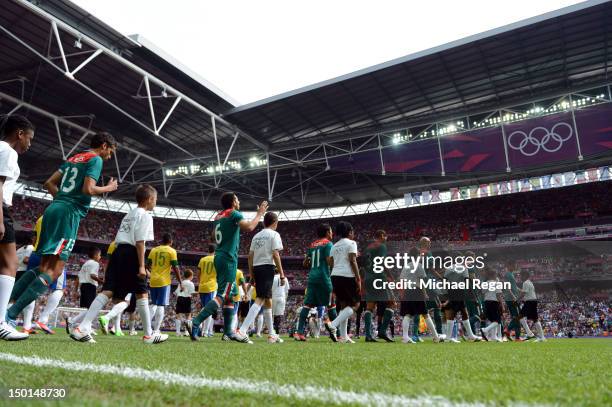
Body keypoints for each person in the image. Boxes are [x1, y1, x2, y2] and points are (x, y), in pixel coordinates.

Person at [7, 132, 117, 329]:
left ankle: (4, 309)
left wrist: (62, 200)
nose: (110, 156)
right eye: (110, 151)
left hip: (53, 209)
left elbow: (49, 183)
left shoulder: (74, 157)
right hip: (68, 214)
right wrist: (108, 188)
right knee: (55, 270)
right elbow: (88, 189)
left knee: (42, 268)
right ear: (104, 145)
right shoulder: (95, 159)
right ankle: (10, 315)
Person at [70, 184, 167, 344]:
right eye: (155, 199)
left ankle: (82, 327)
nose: (155, 202)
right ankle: (149, 334)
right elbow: (140, 242)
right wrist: (142, 266)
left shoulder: (129, 214)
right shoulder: (146, 216)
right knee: (142, 292)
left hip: (117, 252)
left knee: (108, 290)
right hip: (131, 253)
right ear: (150, 199)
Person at [187, 192, 268, 342]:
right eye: (237, 199)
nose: (239, 201)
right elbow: (250, 227)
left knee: (231, 296)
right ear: (232, 202)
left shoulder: (218, 216)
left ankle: (229, 331)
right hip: (228, 259)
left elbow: (213, 236)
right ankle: (195, 322)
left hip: (219, 256)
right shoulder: (234, 214)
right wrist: (259, 214)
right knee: (223, 295)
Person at [0, 115, 35, 340]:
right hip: (1, 208)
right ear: (19, 133)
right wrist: (0, 219)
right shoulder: (8, 151)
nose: (30, 144)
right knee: (9, 265)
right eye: (29, 138)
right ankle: (1, 322)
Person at [238, 212, 285, 344]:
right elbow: (275, 254)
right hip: (267, 268)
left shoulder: (256, 236)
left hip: (257, 268)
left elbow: (250, 256)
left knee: (268, 301)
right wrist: (281, 274)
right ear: (275, 222)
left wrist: (252, 274)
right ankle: (242, 331)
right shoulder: (274, 234)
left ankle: (271, 334)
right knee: (260, 299)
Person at [293, 224, 335, 342]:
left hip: (312, 277)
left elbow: (305, 263)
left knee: (307, 305)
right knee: (331, 305)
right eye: (331, 231)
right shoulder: (328, 244)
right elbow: (329, 261)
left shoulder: (312, 245)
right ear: (327, 232)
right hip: (323, 277)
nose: (332, 234)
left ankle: (299, 333)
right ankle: (339, 332)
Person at [327, 221, 361, 344]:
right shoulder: (352, 243)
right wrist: (358, 278)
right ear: (349, 232)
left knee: (344, 306)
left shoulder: (334, 246)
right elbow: (353, 261)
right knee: (355, 305)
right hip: (347, 276)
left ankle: (344, 336)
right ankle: (333, 324)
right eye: (352, 231)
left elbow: (330, 262)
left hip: (335, 276)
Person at [400, 247, 440, 343]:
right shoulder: (419, 266)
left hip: (408, 291)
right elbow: (421, 281)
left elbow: (401, 280)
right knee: (426, 314)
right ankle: (436, 337)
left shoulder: (406, 266)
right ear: (417, 255)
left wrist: (402, 293)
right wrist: (425, 293)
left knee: (408, 314)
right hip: (417, 291)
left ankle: (405, 337)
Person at [362, 230, 394, 342]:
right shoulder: (381, 246)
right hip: (379, 277)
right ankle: (382, 331)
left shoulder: (367, 248)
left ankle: (368, 335)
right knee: (392, 303)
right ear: (381, 236)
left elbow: (363, 264)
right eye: (385, 235)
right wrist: (390, 276)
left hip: (367, 278)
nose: (387, 237)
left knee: (369, 307)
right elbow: (382, 261)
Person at [148, 234, 182, 334]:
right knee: (161, 305)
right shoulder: (171, 251)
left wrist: (152, 273)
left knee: (153, 304)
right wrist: (180, 282)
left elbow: (147, 265)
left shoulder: (154, 250)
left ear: (161, 240)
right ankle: (156, 329)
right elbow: (176, 268)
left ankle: (148, 327)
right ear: (170, 241)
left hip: (153, 280)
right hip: (164, 281)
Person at [518, 270, 546, 342]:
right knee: (535, 319)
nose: (520, 277)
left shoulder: (525, 283)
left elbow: (523, 293)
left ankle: (529, 333)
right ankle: (542, 337)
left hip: (529, 302)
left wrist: (517, 300)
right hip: (533, 301)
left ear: (524, 276)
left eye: (521, 275)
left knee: (520, 316)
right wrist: (518, 289)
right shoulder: (529, 282)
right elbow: (525, 292)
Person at [197, 243, 217, 337]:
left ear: (208, 250)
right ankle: (204, 331)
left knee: (204, 308)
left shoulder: (202, 259)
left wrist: (201, 282)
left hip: (202, 286)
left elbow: (198, 274)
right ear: (215, 251)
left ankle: (199, 326)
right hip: (211, 286)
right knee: (209, 309)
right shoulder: (217, 259)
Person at [480, 268, 505, 342]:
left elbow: (483, 292)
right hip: (494, 302)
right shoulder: (496, 283)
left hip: (486, 302)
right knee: (497, 320)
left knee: (492, 320)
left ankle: (494, 336)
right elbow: (498, 295)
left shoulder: (486, 283)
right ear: (494, 275)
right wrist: (502, 305)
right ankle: (485, 330)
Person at [174, 269, 196, 336]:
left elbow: (176, 293)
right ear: (191, 276)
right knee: (188, 315)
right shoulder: (191, 283)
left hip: (180, 298)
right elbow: (192, 293)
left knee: (178, 315)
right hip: (187, 299)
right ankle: (187, 331)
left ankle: (177, 332)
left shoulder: (181, 282)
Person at [272, 268, 290, 335]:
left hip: (273, 297)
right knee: (278, 315)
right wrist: (285, 299)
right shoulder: (284, 278)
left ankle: (272, 330)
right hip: (282, 297)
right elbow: (287, 291)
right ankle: (277, 330)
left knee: (272, 314)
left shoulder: (272, 278)